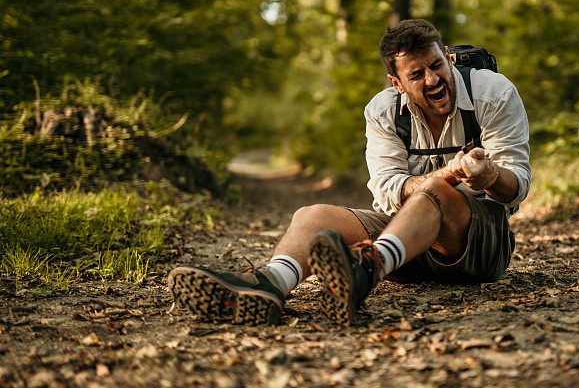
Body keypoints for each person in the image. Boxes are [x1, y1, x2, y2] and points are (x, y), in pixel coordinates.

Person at [168, 19, 531, 326]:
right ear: (397, 83)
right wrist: (444, 176)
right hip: (408, 247)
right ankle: (270, 285)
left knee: (435, 192)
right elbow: (387, 191)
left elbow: (517, 186)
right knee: (311, 216)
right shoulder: (383, 112)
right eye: (416, 74)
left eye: (437, 65)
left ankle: (365, 270)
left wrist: (488, 177)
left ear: (447, 57)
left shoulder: (492, 93)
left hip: (480, 247)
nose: (433, 79)